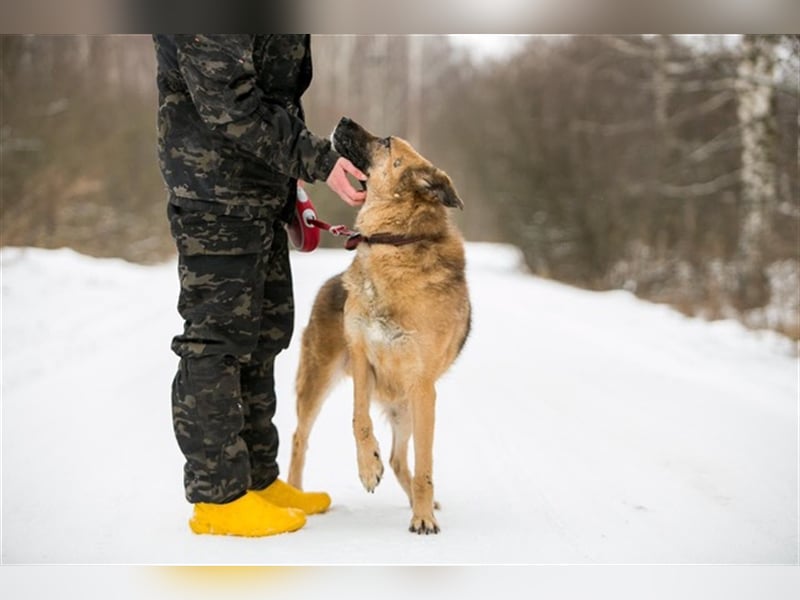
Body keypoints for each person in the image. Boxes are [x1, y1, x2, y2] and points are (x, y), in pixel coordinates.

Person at [153, 34, 366, 537]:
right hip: (214, 190)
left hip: (259, 182)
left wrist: (288, 181)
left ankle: (256, 477)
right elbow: (228, 101)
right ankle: (218, 497)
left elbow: (276, 93)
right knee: (218, 340)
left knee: (265, 332)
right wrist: (316, 161)